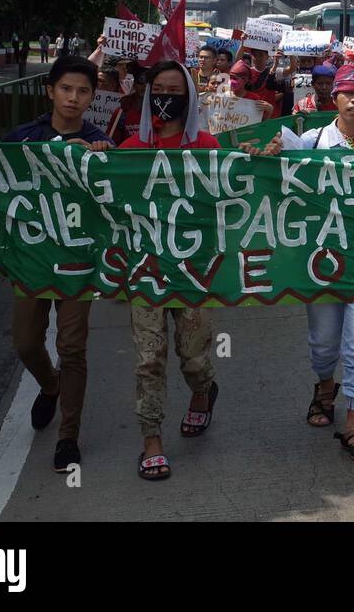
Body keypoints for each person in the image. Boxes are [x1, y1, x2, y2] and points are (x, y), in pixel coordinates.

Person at [265, 64, 354, 464]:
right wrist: (267, 157)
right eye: (348, 93)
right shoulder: (308, 142)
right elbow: (277, 186)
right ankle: (325, 388)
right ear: (335, 97)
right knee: (324, 344)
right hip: (320, 263)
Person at [2, 55, 114, 472]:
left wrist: (102, 158)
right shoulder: (21, 138)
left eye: (83, 91)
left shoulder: (101, 141)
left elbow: (116, 198)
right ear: (50, 91)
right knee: (26, 343)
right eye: (66, 89)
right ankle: (49, 385)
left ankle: (68, 436)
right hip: (31, 259)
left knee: (71, 347)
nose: (73, 97)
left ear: (92, 97)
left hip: (77, 261)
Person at [118, 60, 221, 479]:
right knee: (149, 358)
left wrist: (252, 159)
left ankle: (202, 393)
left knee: (192, 357)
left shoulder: (206, 146)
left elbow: (229, 197)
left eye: (175, 91)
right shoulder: (127, 152)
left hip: (195, 272)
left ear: (190, 97)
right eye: (158, 88)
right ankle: (152, 439)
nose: (166, 97)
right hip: (145, 271)